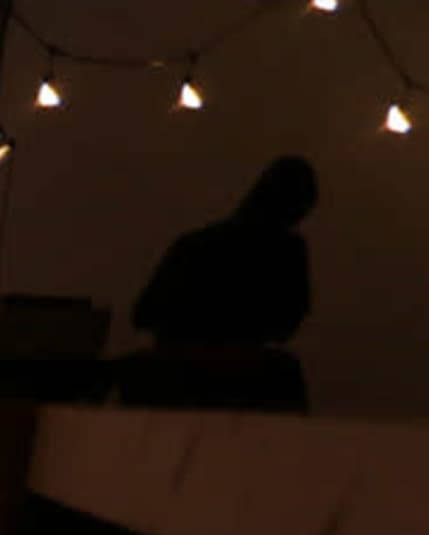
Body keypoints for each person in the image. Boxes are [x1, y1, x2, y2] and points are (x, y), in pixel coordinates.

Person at [124, 156, 317, 409]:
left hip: (173, 373)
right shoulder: (287, 252)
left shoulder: (192, 244)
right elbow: (286, 324)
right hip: (245, 378)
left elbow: (143, 315)